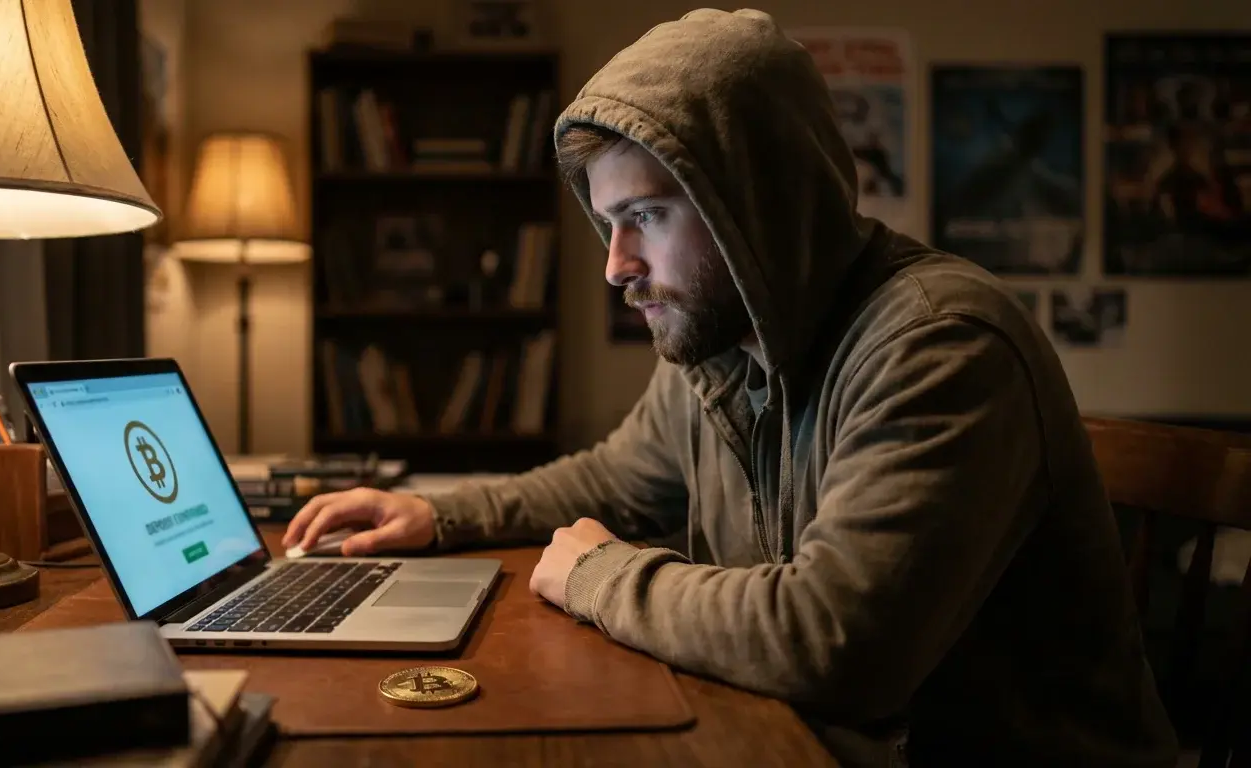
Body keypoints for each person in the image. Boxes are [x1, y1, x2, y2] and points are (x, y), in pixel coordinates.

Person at [285, 9, 1177, 766]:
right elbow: (609, 481)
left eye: (645, 217)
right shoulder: (722, 342)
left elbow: (834, 642)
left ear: (757, 200)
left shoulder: (940, 345)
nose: (616, 266)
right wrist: (438, 517)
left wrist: (600, 574)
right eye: (607, 224)